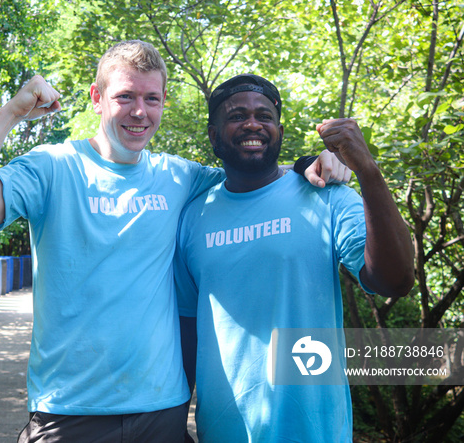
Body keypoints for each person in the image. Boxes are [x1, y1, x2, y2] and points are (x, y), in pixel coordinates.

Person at [0, 41, 349, 442]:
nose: (139, 112)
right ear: (97, 96)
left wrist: (310, 163)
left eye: (152, 99)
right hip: (70, 410)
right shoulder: (53, 168)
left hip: (161, 411)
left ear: (164, 102)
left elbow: (253, 168)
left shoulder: (180, 177)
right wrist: (11, 114)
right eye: (125, 96)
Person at [174, 74, 414, 442]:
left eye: (264, 116)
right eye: (237, 116)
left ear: (279, 130)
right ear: (213, 134)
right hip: (222, 431)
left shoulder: (327, 197)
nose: (253, 123)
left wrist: (367, 170)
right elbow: (188, 329)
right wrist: (176, 425)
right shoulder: (192, 218)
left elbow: (394, 281)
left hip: (316, 431)